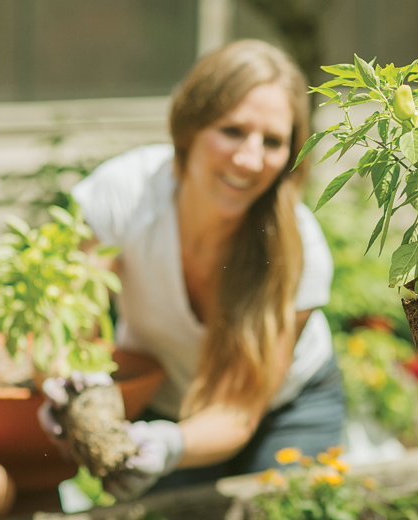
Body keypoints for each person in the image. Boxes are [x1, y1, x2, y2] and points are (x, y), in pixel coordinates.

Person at [40, 39, 345, 500]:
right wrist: (66, 392)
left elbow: (237, 411)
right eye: (232, 130)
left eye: (273, 141)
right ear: (190, 126)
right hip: (164, 406)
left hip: (289, 410)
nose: (249, 159)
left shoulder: (298, 248)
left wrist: (170, 444)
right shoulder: (125, 194)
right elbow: (68, 328)